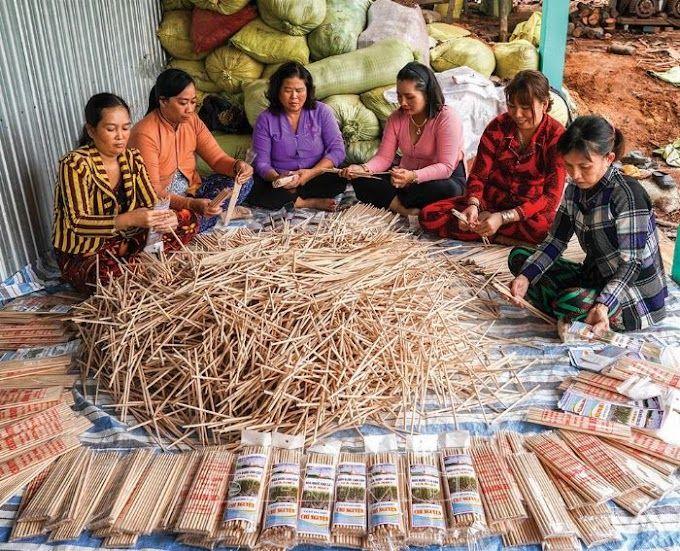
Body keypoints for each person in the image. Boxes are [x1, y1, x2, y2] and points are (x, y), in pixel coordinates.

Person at [509, 116, 668, 334]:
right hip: (595, 276)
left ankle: (574, 308)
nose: (575, 175)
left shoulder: (627, 195)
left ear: (608, 158)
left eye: (584, 166)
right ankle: (567, 308)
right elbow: (556, 241)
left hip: (632, 293)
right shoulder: (574, 191)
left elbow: (631, 264)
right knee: (519, 259)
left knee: (570, 301)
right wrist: (526, 276)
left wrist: (604, 303)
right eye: (568, 166)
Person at [52, 93, 196, 293]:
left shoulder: (132, 157)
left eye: (126, 128)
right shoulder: (75, 164)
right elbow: (78, 223)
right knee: (105, 278)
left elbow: (151, 201)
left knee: (187, 219)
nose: (120, 136)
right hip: (87, 247)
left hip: (126, 238)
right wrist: (129, 219)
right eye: (111, 129)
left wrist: (166, 216)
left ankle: (135, 261)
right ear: (91, 131)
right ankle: (138, 263)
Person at [419, 70, 566, 245]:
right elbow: (478, 175)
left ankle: (490, 232)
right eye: (512, 105)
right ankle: (497, 235)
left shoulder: (557, 137)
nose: (517, 114)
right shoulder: (498, 127)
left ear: (544, 104)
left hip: (527, 210)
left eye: (526, 108)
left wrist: (502, 218)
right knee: (429, 215)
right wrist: (473, 206)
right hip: (489, 202)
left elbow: (550, 198)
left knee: (548, 229)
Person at [129, 69, 254, 232]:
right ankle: (212, 216)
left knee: (243, 182)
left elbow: (216, 159)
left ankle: (208, 216)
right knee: (170, 226)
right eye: (183, 103)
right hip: (162, 205)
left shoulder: (192, 120)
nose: (189, 109)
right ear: (163, 101)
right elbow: (153, 193)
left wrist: (238, 166)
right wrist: (190, 205)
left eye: (193, 102)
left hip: (192, 193)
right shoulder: (145, 134)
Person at [341, 62, 465, 216]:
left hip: (441, 178)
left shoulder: (446, 118)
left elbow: (446, 167)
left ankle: (397, 200)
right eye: (399, 96)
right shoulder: (396, 118)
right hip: (404, 178)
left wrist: (413, 176)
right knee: (361, 178)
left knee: (447, 190)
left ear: (427, 94)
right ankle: (403, 209)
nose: (403, 102)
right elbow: (384, 158)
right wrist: (364, 169)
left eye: (410, 97)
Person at [248, 62, 347, 211]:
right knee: (251, 186)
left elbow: (338, 150)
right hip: (280, 181)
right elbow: (261, 163)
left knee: (338, 179)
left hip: (314, 176)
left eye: (299, 90)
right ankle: (306, 202)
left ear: (307, 90)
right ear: (278, 91)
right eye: (288, 90)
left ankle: (291, 199)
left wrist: (310, 173)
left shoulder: (321, 111)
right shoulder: (266, 119)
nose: (294, 97)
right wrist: (277, 178)